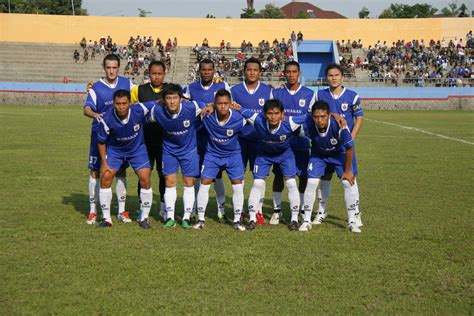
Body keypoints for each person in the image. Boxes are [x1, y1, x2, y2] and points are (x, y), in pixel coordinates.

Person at [147, 84, 212, 229]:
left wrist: (211, 107)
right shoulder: (157, 111)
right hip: (169, 151)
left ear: (181, 99)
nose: (172, 101)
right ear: (163, 100)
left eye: (175, 98)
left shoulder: (191, 107)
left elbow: (208, 106)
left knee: (189, 182)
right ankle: (170, 217)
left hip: (189, 151)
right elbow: (142, 114)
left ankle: (186, 217)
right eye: (168, 98)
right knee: (170, 181)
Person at [239, 99, 305, 231]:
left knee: (291, 183)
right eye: (269, 113)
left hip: (285, 155)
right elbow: (240, 109)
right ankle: (252, 219)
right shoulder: (258, 120)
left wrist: (333, 115)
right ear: (264, 114)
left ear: (282, 114)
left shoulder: (290, 123)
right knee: (258, 183)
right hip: (264, 156)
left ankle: (294, 219)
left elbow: (311, 116)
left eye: (276, 113)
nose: (273, 117)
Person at [83, 54, 134, 225]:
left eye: (114, 67)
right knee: (96, 172)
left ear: (119, 67)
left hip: (120, 137)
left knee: (120, 171)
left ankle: (121, 211)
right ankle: (92, 211)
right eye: (108, 67)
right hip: (99, 135)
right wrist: (95, 114)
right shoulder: (96, 87)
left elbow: (137, 101)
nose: (111, 71)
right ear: (104, 68)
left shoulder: (128, 84)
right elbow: (87, 109)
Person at [300, 100, 362, 233]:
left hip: (338, 154)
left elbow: (350, 148)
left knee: (347, 182)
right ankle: (306, 220)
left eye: (323, 116)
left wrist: (347, 171)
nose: (319, 120)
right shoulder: (308, 124)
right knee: (311, 182)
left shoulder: (339, 125)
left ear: (328, 116)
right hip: (319, 155)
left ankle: (352, 220)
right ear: (312, 117)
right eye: (316, 117)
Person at [96, 90, 153, 229]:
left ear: (130, 103)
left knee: (145, 179)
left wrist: (180, 101)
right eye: (118, 104)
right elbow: (101, 142)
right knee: (105, 177)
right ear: (113, 104)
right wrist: (104, 163)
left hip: (137, 150)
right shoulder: (107, 118)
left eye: (124, 103)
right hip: (116, 151)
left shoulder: (139, 109)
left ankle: (144, 218)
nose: (121, 107)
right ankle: (106, 219)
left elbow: (157, 103)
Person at [314, 64, 363, 226]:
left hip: (342, 148)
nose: (333, 78)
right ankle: (322, 211)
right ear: (326, 78)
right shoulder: (320, 95)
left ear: (342, 77)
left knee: (349, 179)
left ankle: (355, 214)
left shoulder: (352, 96)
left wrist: (351, 138)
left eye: (336, 75)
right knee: (324, 178)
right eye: (330, 75)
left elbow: (359, 118)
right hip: (324, 146)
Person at [183, 59, 231, 222]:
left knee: (217, 176)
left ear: (214, 70)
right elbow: (185, 105)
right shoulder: (190, 88)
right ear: (199, 71)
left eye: (209, 70)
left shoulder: (222, 87)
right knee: (196, 175)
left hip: (214, 137)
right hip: (196, 137)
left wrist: (212, 105)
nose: (206, 72)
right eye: (203, 70)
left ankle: (221, 210)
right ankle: (196, 209)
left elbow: (229, 105)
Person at [193, 89, 246, 231]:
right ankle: (200, 219)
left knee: (237, 185)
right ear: (215, 104)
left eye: (225, 103)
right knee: (204, 183)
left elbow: (258, 120)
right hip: (212, 155)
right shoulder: (207, 115)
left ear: (230, 104)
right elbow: (190, 104)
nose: (223, 106)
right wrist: (207, 106)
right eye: (219, 103)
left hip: (233, 155)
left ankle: (236, 220)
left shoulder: (239, 118)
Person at [270, 61, 315, 225]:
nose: (291, 74)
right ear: (284, 73)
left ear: (299, 73)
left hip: (302, 141)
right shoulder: (276, 93)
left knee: (303, 176)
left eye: (294, 72)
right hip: (282, 143)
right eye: (288, 72)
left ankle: (302, 210)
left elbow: (311, 118)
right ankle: (277, 211)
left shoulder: (309, 94)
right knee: (279, 175)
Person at [231, 57, 273, 225]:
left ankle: (258, 211)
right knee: (238, 177)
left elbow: (271, 115)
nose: (252, 72)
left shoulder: (267, 91)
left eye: (255, 70)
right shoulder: (234, 91)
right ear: (244, 71)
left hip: (260, 141)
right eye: (249, 70)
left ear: (260, 72)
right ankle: (239, 211)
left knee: (259, 178)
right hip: (239, 140)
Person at [130, 60, 168, 220]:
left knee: (164, 175)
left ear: (164, 74)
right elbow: (129, 109)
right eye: (154, 73)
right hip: (143, 142)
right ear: (149, 73)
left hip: (165, 141)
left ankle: (164, 208)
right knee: (144, 175)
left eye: (159, 74)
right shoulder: (139, 90)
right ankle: (142, 207)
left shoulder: (171, 90)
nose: (157, 77)